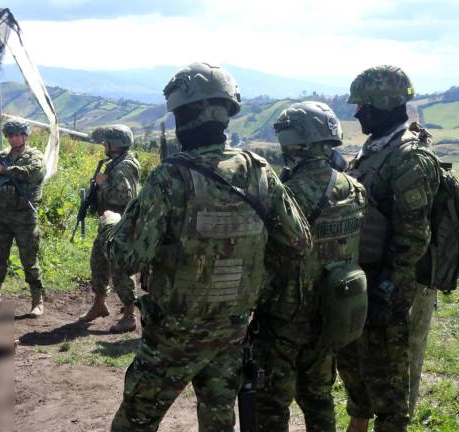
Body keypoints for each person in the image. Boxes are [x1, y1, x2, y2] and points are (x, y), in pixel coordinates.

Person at [106, 62, 312, 431]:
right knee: (218, 420)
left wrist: (112, 227)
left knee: (134, 422)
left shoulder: (171, 177)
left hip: (173, 334)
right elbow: (299, 241)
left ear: (182, 116)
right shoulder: (259, 171)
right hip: (232, 329)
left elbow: (126, 257)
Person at [336, 65, 440, 432]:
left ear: (384, 103)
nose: (357, 113)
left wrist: (388, 290)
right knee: (355, 369)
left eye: (363, 105)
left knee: (389, 386)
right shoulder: (376, 148)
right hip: (362, 279)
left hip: (387, 285)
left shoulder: (408, 156)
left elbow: (413, 236)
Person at [253, 101, 367, 431]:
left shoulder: (287, 196)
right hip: (333, 310)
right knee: (319, 397)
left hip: (285, 318)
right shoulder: (356, 190)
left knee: (272, 403)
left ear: (295, 144)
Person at [78, 125, 141, 333]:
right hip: (109, 223)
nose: (104, 145)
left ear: (117, 144)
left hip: (121, 226)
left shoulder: (124, 166)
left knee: (120, 268)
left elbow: (126, 198)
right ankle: (99, 305)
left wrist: (103, 184)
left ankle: (130, 315)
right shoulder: (115, 163)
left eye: (107, 142)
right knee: (98, 261)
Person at [0, 120, 46, 317]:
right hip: (1, 215)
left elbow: (32, 173)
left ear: (25, 136)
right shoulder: (1, 156)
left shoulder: (35, 156)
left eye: (17, 135)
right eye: (10, 135)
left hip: (24, 216)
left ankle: (37, 300)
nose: (13, 139)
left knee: (29, 259)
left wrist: (5, 170)